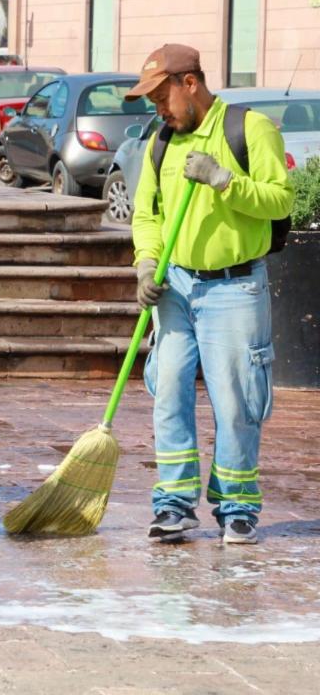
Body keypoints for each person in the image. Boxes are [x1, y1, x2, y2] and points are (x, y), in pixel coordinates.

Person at [126, 44, 294, 545]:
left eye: (162, 95)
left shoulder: (249, 129)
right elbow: (146, 216)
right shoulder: (161, 142)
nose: (158, 107)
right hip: (175, 285)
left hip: (234, 287)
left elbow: (280, 198)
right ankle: (173, 505)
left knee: (236, 400)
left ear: (190, 84)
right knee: (169, 394)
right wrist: (146, 263)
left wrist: (226, 181)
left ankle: (237, 507)